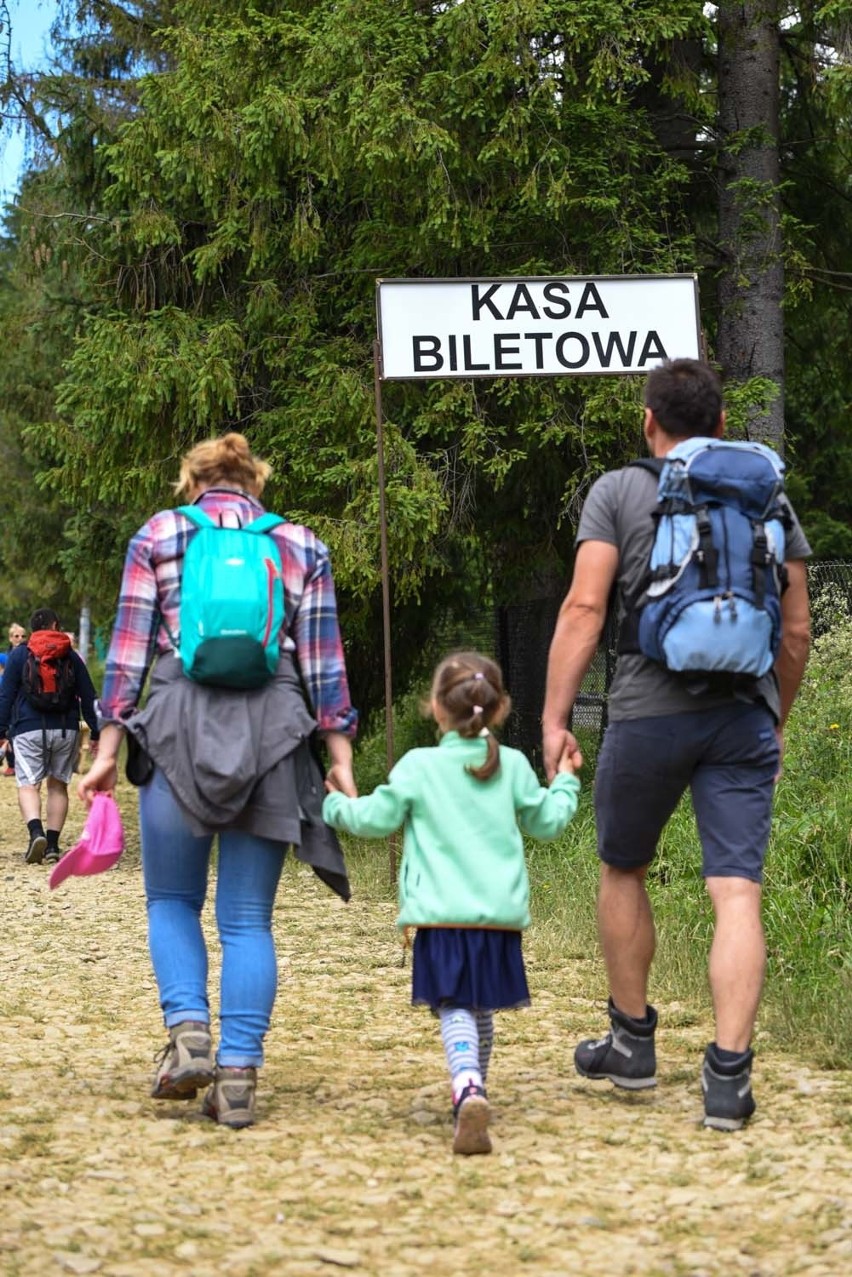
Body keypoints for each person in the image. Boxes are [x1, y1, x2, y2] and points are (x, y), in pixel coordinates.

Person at [542, 358, 811, 1131]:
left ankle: (632, 1044)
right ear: (723, 425)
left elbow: (584, 610)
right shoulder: (767, 491)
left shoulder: (621, 490)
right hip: (742, 717)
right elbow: (795, 628)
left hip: (646, 712)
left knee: (623, 865)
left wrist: (555, 718)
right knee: (736, 892)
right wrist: (777, 718)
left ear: (648, 423)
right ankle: (728, 1078)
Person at [78, 432, 358, 1130]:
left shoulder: (161, 534)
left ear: (193, 481)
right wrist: (341, 754)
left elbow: (127, 652)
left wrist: (107, 747)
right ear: (254, 482)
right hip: (273, 732)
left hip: (175, 725)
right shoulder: (300, 544)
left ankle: (189, 1031)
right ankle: (237, 1071)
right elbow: (324, 663)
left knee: (171, 898)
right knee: (245, 919)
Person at [323, 651, 581, 1155]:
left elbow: (374, 820)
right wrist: (567, 780)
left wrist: (337, 803)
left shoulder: (420, 766)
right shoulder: (511, 765)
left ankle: (467, 1086)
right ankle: (473, 1089)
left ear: (437, 709)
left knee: (454, 1005)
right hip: (499, 921)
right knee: (480, 1007)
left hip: (441, 918)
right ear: (501, 708)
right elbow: (548, 822)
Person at [0, 609, 100, 865]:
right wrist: (96, 733)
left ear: (33, 628)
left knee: (28, 785)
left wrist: (1, 731)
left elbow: (6, 695)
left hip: (27, 729)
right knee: (58, 785)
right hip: (66, 729)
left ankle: (36, 833)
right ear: (55, 625)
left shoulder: (20, 654)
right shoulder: (72, 656)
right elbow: (88, 697)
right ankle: (53, 845)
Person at [0, 622, 27, 775]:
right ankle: (11, 764)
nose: (20, 638)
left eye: (23, 636)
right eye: (16, 636)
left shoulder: (31, 654)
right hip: (8, 698)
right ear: (10, 638)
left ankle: (19, 763)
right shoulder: (4, 657)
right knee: (8, 730)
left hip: (23, 699)